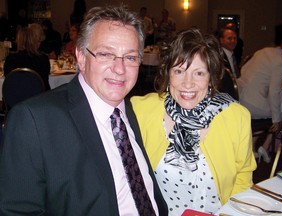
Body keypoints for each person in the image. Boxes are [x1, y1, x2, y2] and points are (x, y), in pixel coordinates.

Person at [0, 5, 168, 216]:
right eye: (106, 54)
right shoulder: (34, 121)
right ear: (80, 56)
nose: (120, 68)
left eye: (131, 57)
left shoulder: (131, 111)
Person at [131, 27, 256, 215]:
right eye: (179, 71)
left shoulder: (237, 117)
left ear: (210, 77)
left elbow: (243, 176)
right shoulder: (141, 110)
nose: (187, 83)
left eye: (199, 73)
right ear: (167, 73)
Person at [237, 24, 282, 163]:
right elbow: (274, 91)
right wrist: (277, 120)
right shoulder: (281, 61)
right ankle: (265, 147)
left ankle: (253, 148)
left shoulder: (263, 51)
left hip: (241, 98)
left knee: (271, 111)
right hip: (254, 104)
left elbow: (245, 68)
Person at [3, 26, 51, 90]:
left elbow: (8, 80)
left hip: (16, 97)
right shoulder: (43, 59)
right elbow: (44, 80)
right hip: (39, 96)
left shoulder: (10, 59)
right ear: (34, 40)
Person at [217, 26, 240, 100]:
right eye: (229, 38)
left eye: (235, 38)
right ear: (221, 40)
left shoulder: (234, 55)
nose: (233, 41)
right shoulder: (219, 56)